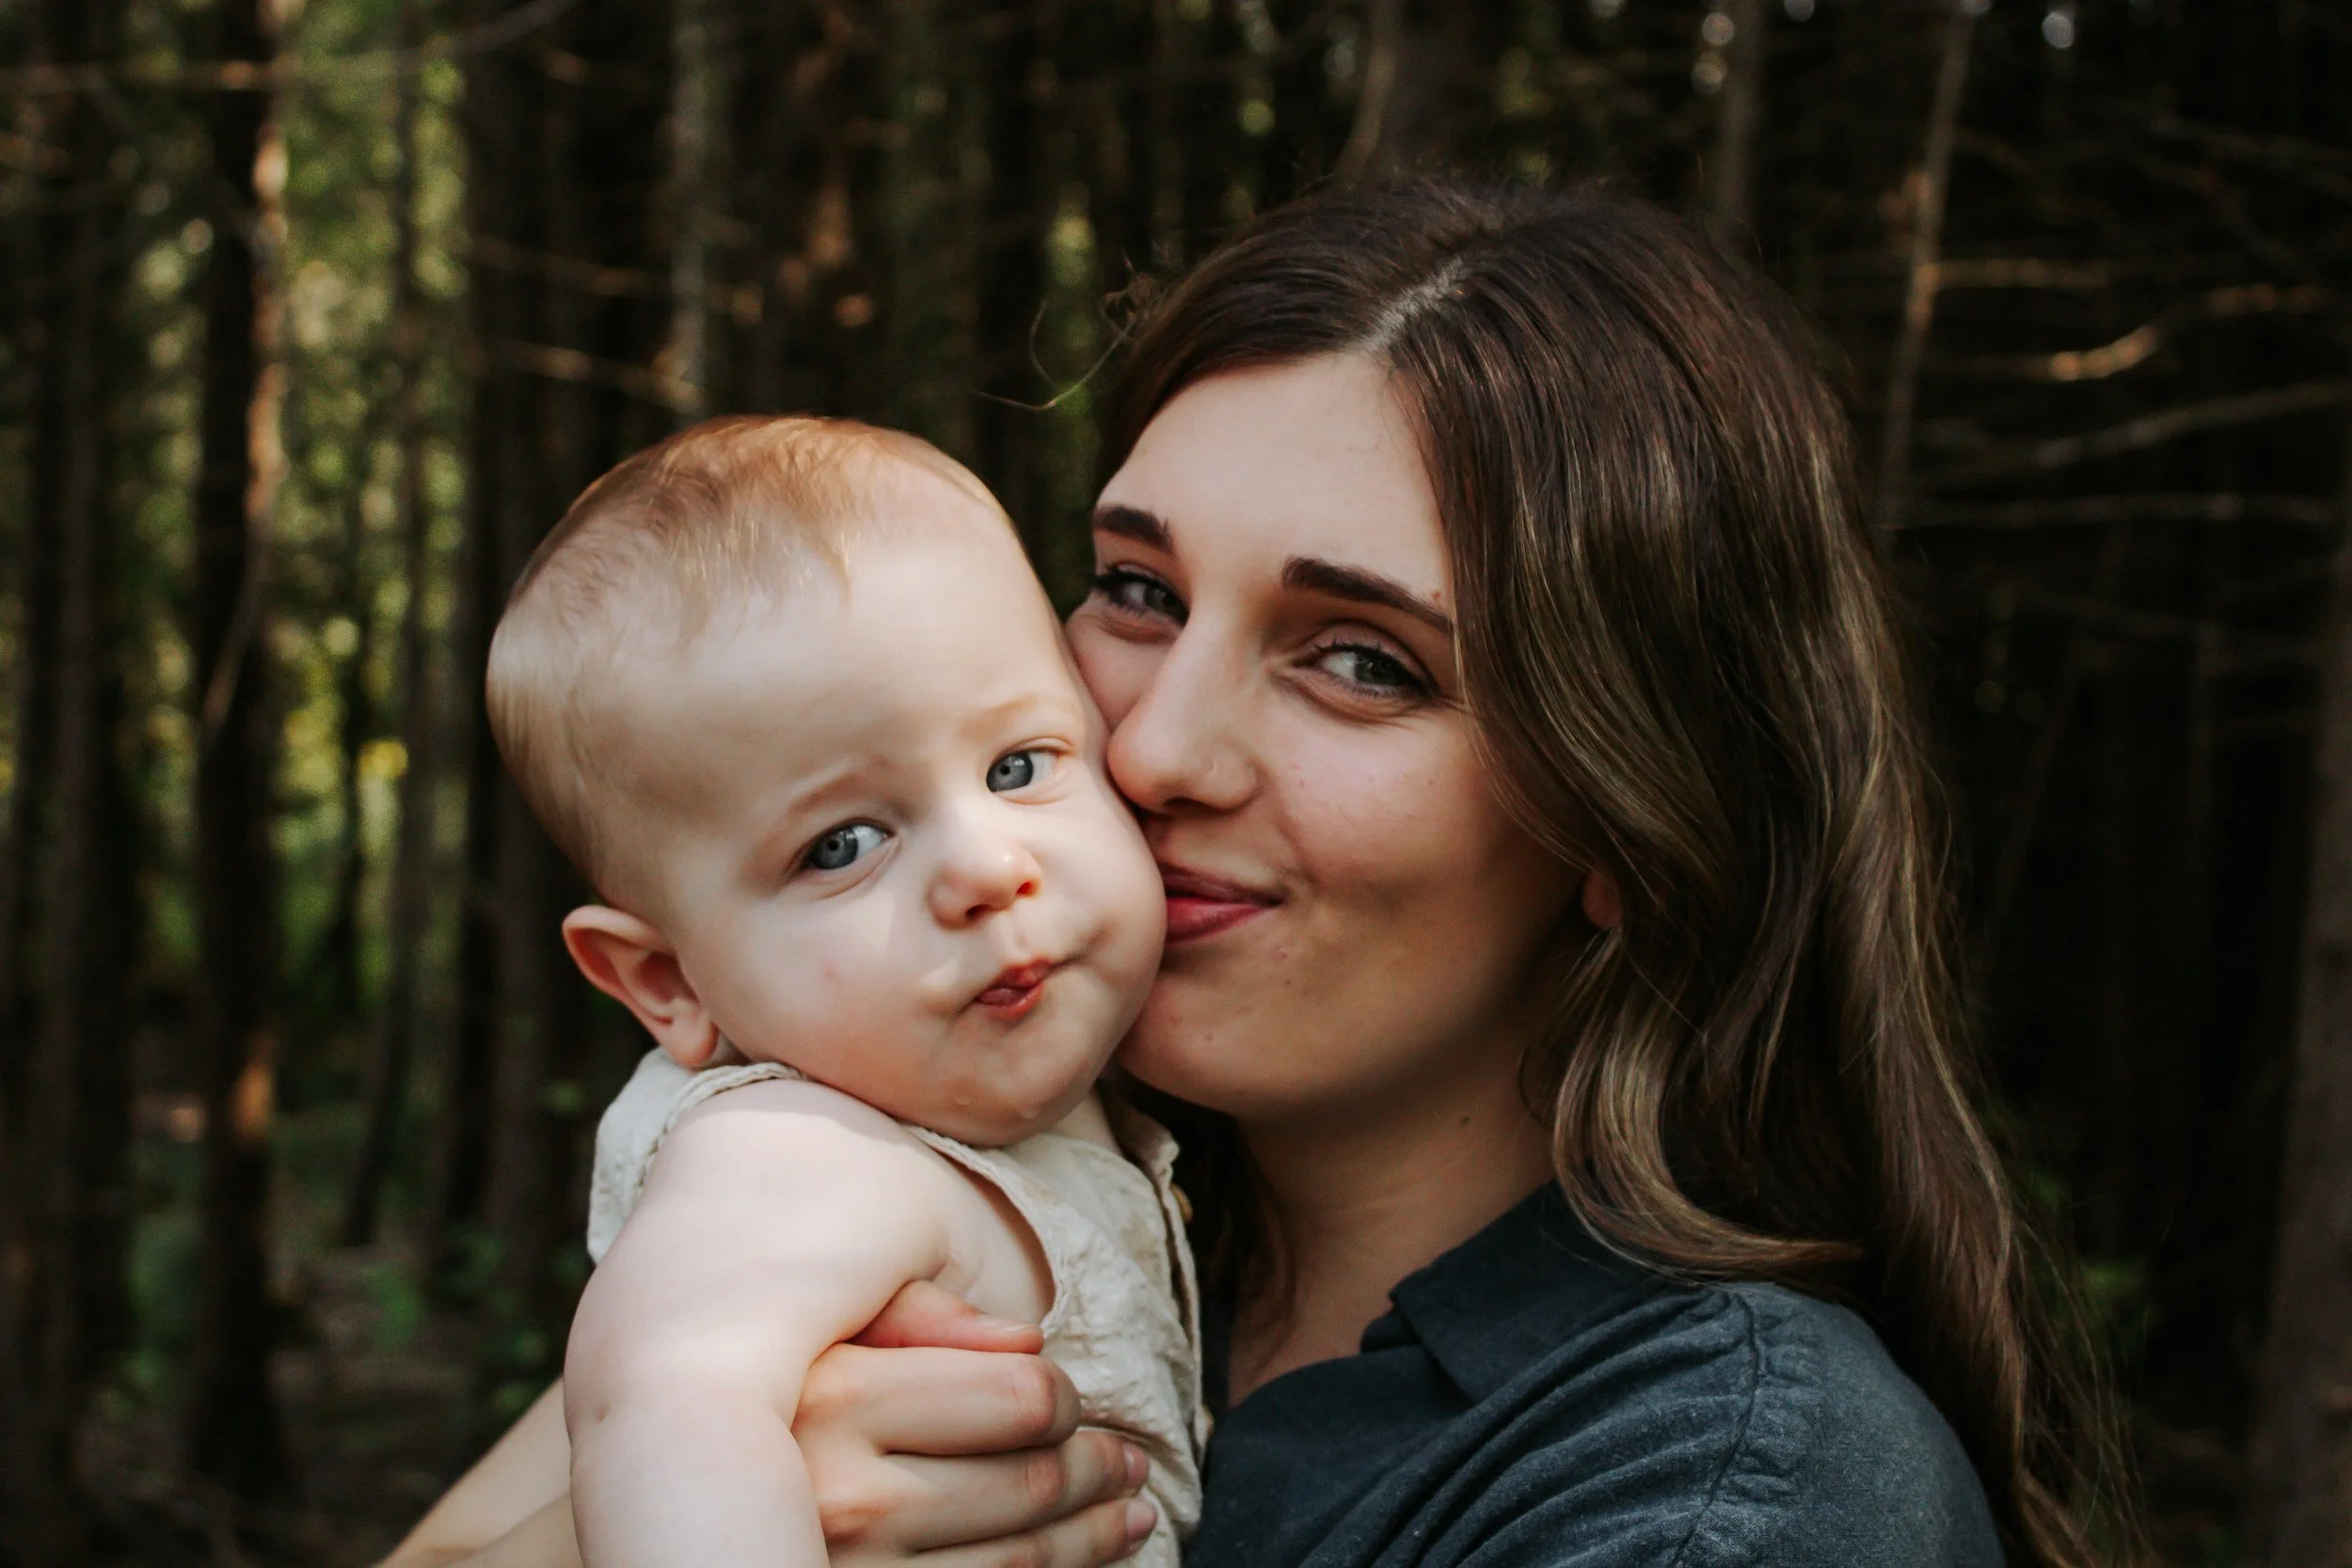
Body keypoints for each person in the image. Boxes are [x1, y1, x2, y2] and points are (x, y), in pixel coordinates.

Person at [392, 180, 2122, 1568]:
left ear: (1623, 812)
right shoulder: (986, 1171)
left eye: (1362, 660)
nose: (1149, 750)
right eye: (1137, 591)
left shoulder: (1720, 1489)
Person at [422, 416, 1198, 1568]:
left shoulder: (1018, 1109)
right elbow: (673, 1408)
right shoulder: (793, 1152)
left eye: (1018, 766)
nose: (987, 869)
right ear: (669, 982)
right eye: (841, 845)